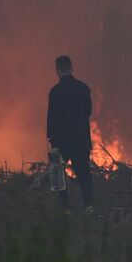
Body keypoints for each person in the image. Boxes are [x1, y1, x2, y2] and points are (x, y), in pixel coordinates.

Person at [46, 55, 94, 210]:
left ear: (58, 71)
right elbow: (88, 112)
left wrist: (53, 143)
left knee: (59, 175)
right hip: (81, 140)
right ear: (71, 68)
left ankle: (65, 208)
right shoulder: (84, 88)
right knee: (84, 174)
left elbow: (52, 119)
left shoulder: (55, 92)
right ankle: (89, 205)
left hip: (63, 142)